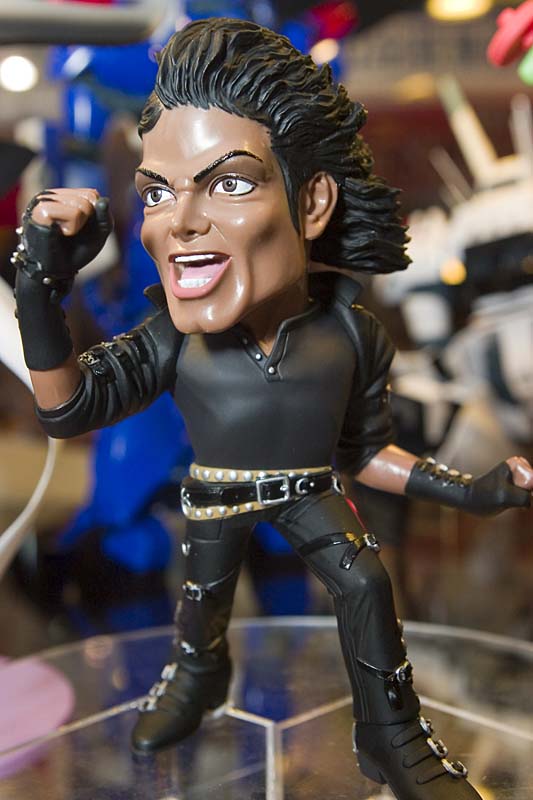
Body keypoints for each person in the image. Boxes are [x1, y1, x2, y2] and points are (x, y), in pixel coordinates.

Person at [12, 18, 533, 800]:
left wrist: (469, 491)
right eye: (158, 191)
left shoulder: (348, 333)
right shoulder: (172, 338)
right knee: (201, 601)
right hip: (213, 502)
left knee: (364, 585)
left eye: (228, 183)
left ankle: (390, 732)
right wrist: (39, 287)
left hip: (309, 492)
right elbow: (68, 408)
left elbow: (365, 453)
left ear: (312, 201)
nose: (180, 221)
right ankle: (196, 677)